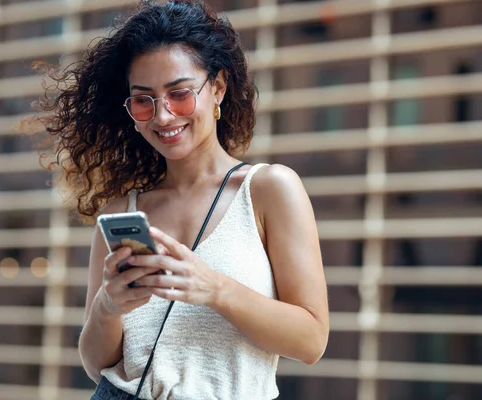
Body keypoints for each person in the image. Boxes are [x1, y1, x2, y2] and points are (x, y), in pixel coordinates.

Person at [31, 0, 329, 398]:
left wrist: (215, 289)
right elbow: (95, 365)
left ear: (218, 88)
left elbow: (311, 342)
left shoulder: (268, 190)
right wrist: (109, 306)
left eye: (180, 93)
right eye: (144, 100)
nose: (163, 116)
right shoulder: (122, 212)